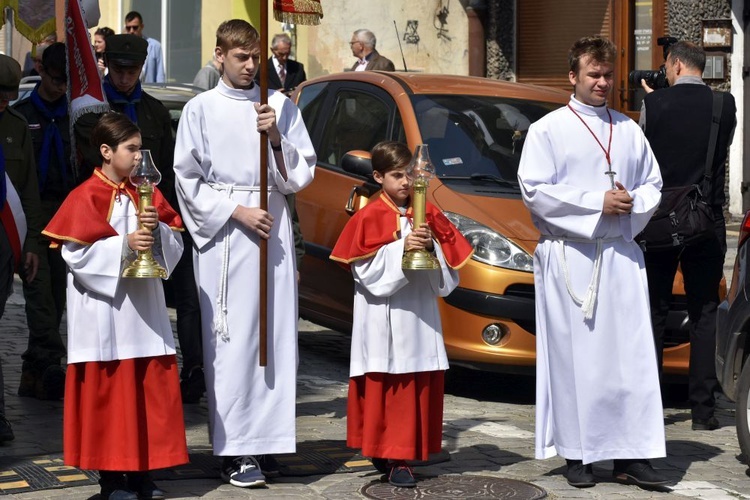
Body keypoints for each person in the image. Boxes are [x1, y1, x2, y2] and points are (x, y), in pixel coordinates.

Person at [517, 36, 668, 489]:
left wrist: (631, 201)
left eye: (607, 76)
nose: (602, 83)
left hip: (620, 256)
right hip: (572, 259)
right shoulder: (548, 130)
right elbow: (534, 190)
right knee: (576, 361)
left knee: (628, 361)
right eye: (593, 75)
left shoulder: (629, 128)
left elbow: (653, 184)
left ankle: (627, 454)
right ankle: (578, 454)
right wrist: (595, 202)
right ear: (573, 77)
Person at [173, 18, 315, 488]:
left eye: (256, 57)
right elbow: (187, 181)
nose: (252, 65)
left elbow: (300, 176)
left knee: (274, 341)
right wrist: (237, 211)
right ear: (219, 56)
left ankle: (268, 440)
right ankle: (234, 450)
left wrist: (275, 138)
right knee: (231, 344)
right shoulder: (199, 109)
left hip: (271, 232)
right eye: (241, 57)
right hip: (229, 239)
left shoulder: (277, 105)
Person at [43, 112, 188, 500]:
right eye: (132, 149)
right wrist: (125, 244)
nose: (139, 157)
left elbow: (175, 245)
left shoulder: (148, 192)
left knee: (146, 396)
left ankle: (144, 477)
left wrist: (157, 236)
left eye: (141, 149)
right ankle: (111, 481)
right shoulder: (84, 196)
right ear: (106, 151)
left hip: (145, 313)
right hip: (106, 315)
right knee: (111, 400)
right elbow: (76, 257)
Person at [330, 141, 472, 487]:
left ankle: (402, 454)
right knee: (389, 383)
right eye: (397, 176)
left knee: (414, 383)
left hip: (419, 313)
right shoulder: (369, 215)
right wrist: (399, 249)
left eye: (409, 174)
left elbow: (449, 275)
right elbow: (364, 274)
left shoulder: (430, 214)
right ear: (379, 177)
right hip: (384, 317)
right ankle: (391, 456)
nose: (406, 182)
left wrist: (431, 247)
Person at [75, 33, 206, 404]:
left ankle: (193, 366)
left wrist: (164, 214)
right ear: (108, 67)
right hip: (108, 208)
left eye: (132, 71)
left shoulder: (154, 111)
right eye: (118, 70)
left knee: (185, 294)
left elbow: (166, 163)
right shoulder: (92, 110)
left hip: (151, 205)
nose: (125, 78)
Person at [639, 41, 737, 432]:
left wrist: (656, 101)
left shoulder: (654, 105)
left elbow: (644, 156)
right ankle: (703, 411)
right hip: (707, 219)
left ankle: (649, 406)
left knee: (654, 309)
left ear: (676, 65)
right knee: (704, 312)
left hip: (661, 219)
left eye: (666, 66)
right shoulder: (724, 105)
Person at [12, 42, 72, 401]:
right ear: (41, 71)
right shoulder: (22, 116)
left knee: (57, 295)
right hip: (31, 215)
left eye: (66, 82)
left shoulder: (72, 116)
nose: (60, 87)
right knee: (38, 294)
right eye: (54, 80)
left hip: (65, 213)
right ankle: (51, 360)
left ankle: (32, 373)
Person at [0, 53, 43, 444]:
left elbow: (28, 191)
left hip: (2, 245)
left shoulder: (15, 126)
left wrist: (30, 243)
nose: (3, 102)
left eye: (8, 96)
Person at [124, 10, 165, 83]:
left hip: (150, 91)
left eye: (135, 27)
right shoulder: (123, 47)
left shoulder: (155, 46)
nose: (131, 31)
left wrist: (161, 92)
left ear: (142, 26)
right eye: (128, 28)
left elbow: (160, 75)